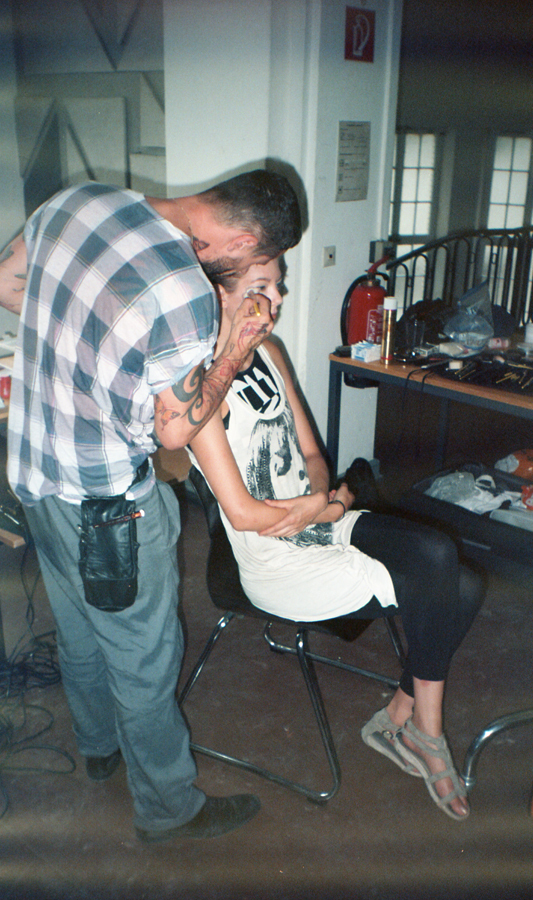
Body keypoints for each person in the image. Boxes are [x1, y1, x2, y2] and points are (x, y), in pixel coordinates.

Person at [0, 171, 302, 843]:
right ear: (242, 242)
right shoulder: (184, 293)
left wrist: (90, 353)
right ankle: (168, 810)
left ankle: (97, 746)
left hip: (34, 471)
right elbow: (175, 430)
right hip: (107, 507)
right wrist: (234, 350)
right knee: (142, 662)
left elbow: (7, 285)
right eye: (260, 268)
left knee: (78, 626)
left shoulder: (77, 199)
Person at [188, 258, 485, 822]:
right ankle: (425, 734)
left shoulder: (271, 352)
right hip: (275, 564)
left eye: (278, 287)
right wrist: (327, 505)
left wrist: (326, 501)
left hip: (322, 521)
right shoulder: (199, 391)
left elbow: (312, 455)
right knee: (451, 582)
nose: (275, 300)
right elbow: (245, 516)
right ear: (220, 295)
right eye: (260, 288)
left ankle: (402, 718)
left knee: (453, 571)